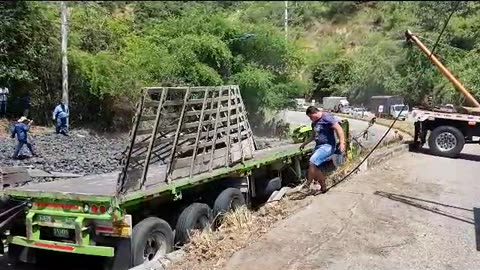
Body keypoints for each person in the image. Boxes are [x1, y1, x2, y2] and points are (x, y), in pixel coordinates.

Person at [299, 106, 346, 194]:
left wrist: (342, 142)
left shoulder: (327, 118)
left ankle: (308, 184)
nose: (310, 119)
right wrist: (304, 144)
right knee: (315, 168)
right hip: (319, 146)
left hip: (328, 146)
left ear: (314, 113)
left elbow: (339, 129)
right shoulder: (314, 123)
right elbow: (312, 136)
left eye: (310, 117)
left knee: (312, 162)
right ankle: (323, 187)